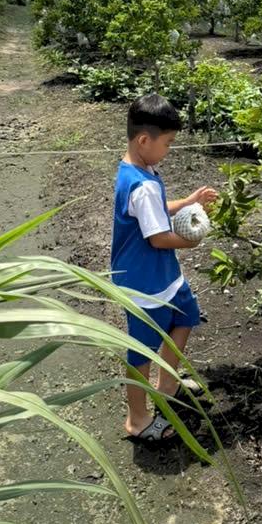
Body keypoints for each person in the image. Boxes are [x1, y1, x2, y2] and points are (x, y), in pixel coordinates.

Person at [112, 93, 217, 442]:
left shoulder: (140, 170)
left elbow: (156, 209)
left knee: (186, 318)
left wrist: (187, 202)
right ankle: (137, 419)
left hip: (165, 277)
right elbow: (158, 237)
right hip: (144, 284)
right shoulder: (140, 185)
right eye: (168, 143)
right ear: (145, 140)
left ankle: (167, 384)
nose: (169, 150)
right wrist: (193, 240)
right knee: (141, 352)